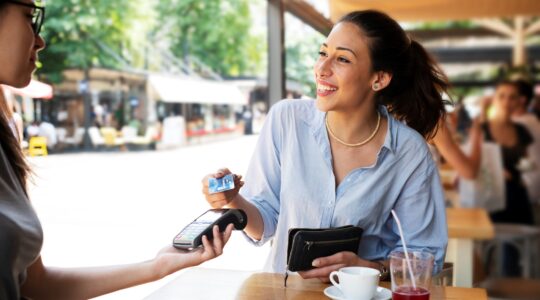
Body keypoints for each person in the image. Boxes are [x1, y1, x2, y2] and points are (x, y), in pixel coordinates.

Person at [0, 1, 233, 299]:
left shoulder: (8, 132)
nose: (40, 40)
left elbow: (37, 284)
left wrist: (158, 266)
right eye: (29, 17)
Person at [202, 10, 448, 282]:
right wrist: (233, 200)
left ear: (378, 79)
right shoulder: (287, 120)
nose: (322, 68)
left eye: (342, 59)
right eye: (322, 53)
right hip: (283, 293)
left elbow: (425, 254)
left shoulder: (410, 153)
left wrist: (367, 267)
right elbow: (266, 223)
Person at [486, 81, 535, 225]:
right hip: (492, 197)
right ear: (494, 99)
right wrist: (496, 171)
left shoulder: (521, 129)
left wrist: (528, 170)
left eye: (512, 97)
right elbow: (475, 165)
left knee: (521, 243)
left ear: (519, 102)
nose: (507, 101)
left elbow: (526, 161)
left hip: (518, 195)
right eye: (502, 96)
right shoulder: (483, 129)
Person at [511, 79, 540, 219]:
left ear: (522, 100)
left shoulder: (520, 123)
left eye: (511, 96)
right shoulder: (531, 119)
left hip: (527, 185)